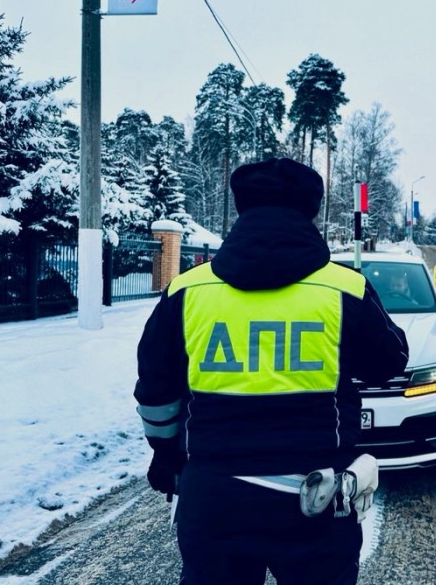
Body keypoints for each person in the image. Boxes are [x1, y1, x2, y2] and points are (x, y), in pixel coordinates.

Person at [135, 157, 409, 585]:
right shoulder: (345, 288)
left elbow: (155, 391)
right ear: (313, 210)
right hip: (314, 500)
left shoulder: (187, 290)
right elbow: (390, 362)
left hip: (214, 497)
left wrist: (165, 453)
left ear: (241, 207)